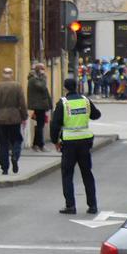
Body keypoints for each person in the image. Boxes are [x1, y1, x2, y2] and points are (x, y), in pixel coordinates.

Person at [50, 75, 100, 215]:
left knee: (67, 174)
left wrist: (55, 141)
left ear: (65, 88)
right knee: (87, 174)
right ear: (76, 87)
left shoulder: (63, 103)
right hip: (85, 142)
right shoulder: (85, 101)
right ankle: (93, 205)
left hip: (69, 144)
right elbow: (96, 115)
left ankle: (70, 206)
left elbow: (55, 125)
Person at [0, 66, 28, 175]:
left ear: (2, 74)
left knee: (2, 143)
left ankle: (4, 168)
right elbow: (22, 103)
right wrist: (24, 116)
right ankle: (15, 155)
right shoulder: (17, 86)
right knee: (17, 139)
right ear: (11, 74)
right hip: (15, 117)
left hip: (0, 118)